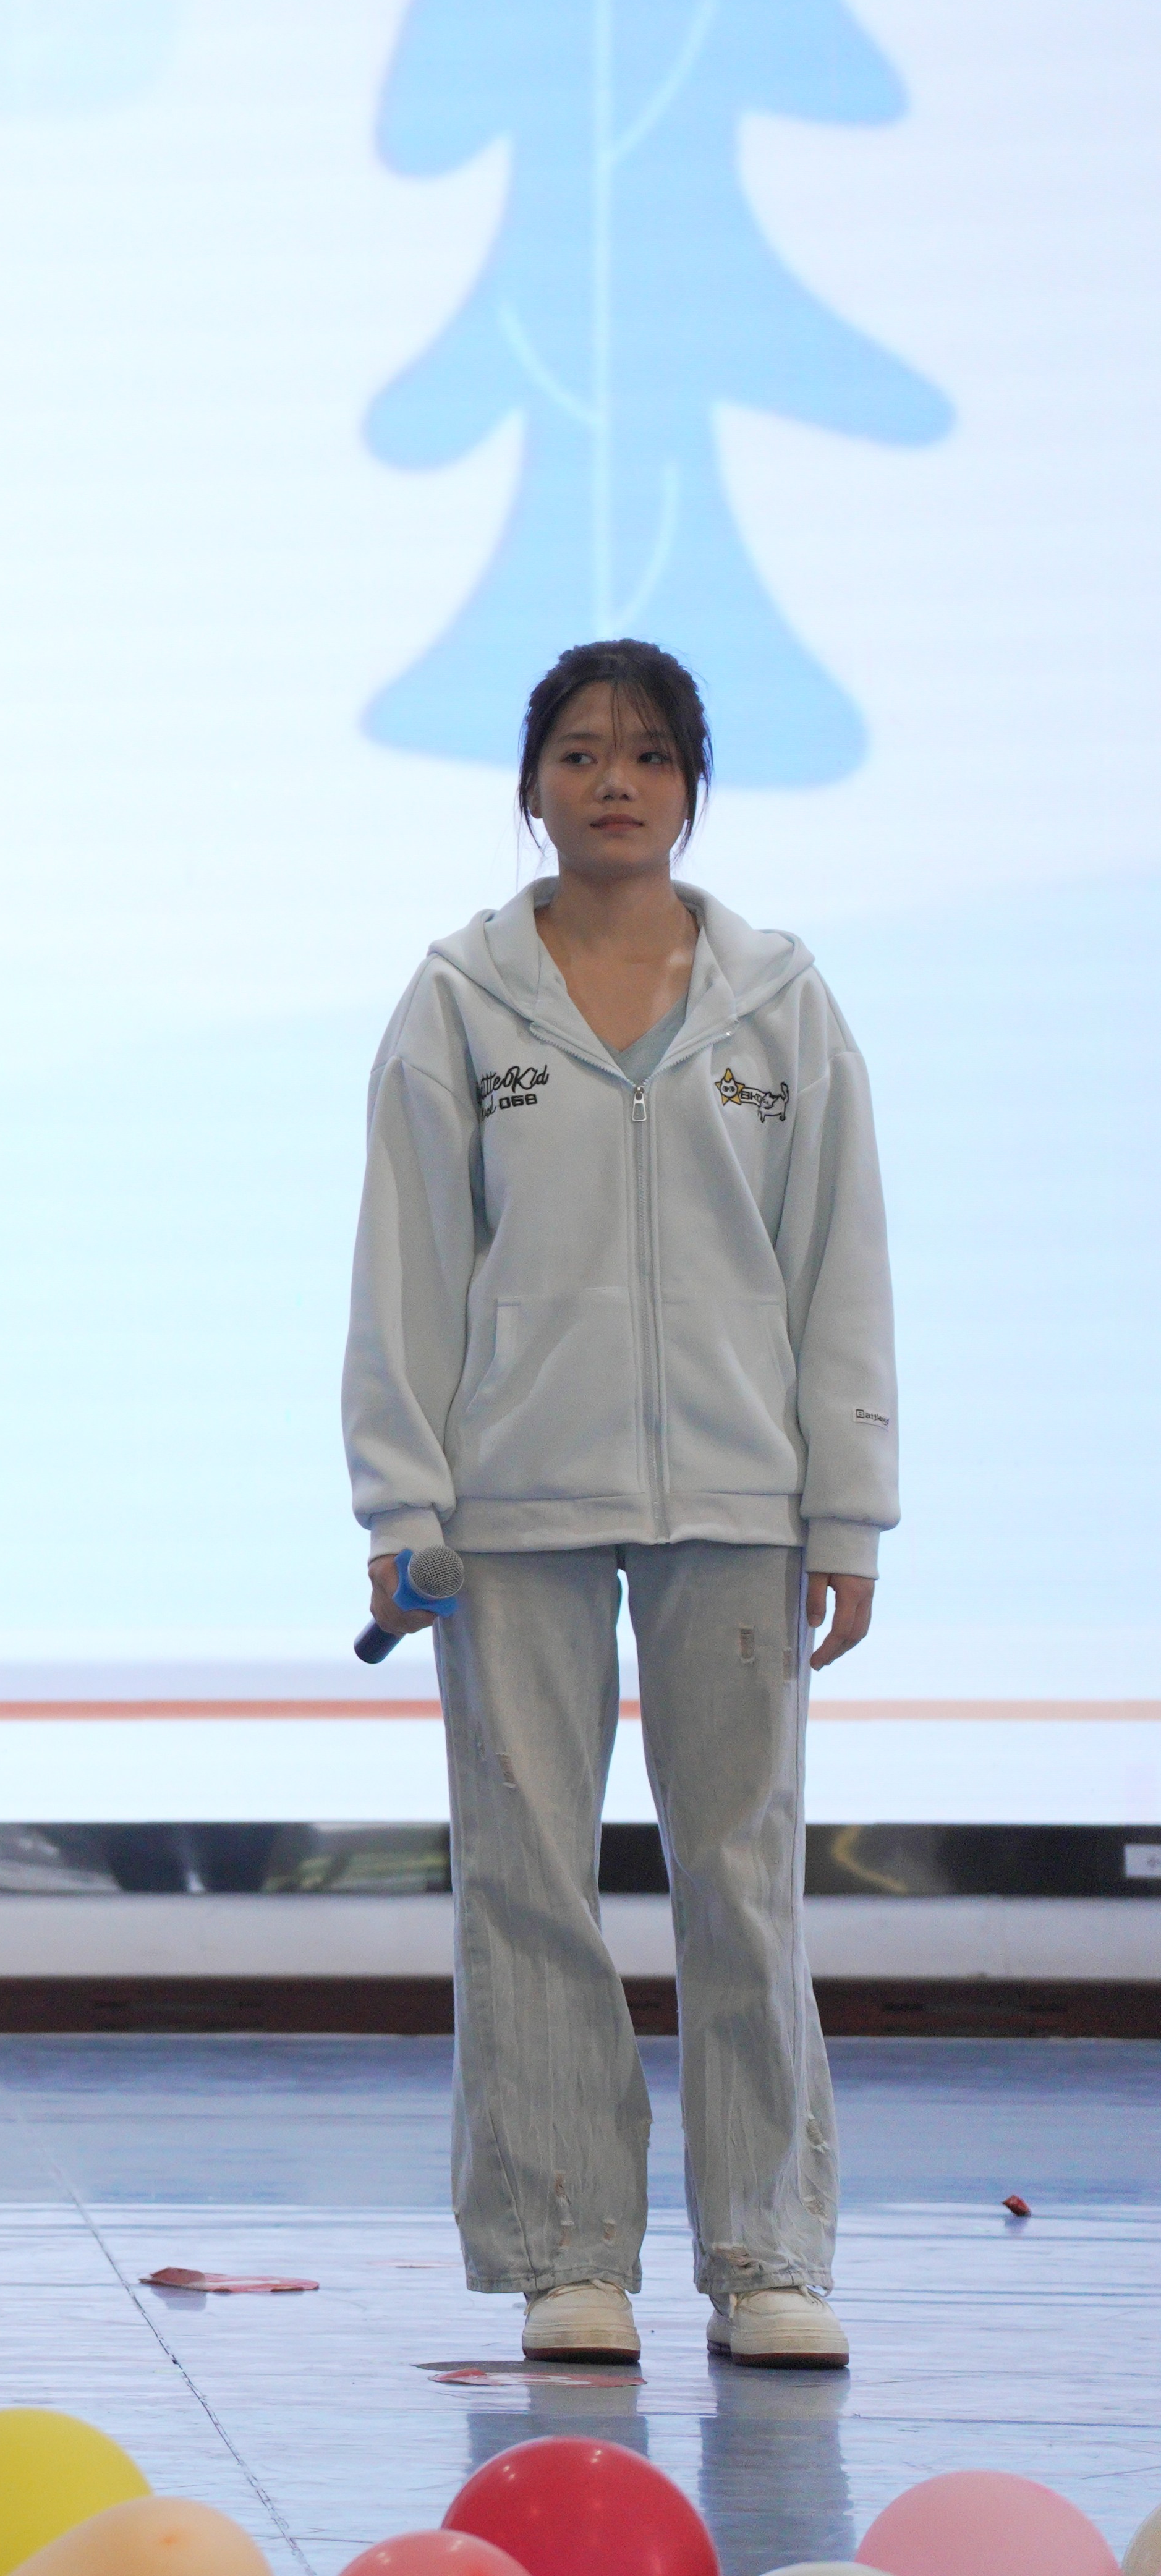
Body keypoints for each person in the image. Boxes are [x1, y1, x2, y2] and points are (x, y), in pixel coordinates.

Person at [345, 640, 893, 2373]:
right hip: (510, 1505)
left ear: (693, 789)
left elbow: (840, 1262)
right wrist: (401, 1497)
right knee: (529, 1880)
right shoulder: (461, 1001)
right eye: (580, 752)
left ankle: (766, 2252)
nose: (614, 782)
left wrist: (849, 1512)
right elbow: (408, 1266)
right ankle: (566, 2253)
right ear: (531, 787)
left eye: (649, 754)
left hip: (741, 1491)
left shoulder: (781, 1001)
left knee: (744, 1879)